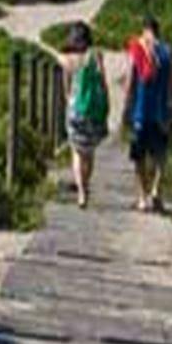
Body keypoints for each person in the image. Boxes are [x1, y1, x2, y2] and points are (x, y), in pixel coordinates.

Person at [124, 14, 172, 212]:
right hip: (160, 111)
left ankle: (142, 197)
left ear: (144, 29)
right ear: (157, 30)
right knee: (161, 153)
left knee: (139, 156)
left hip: (140, 110)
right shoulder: (168, 51)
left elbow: (130, 79)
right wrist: (171, 106)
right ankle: (157, 190)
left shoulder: (136, 48)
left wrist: (127, 106)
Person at [56, 21, 108, 209]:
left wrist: (69, 102)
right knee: (90, 152)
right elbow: (102, 81)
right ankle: (86, 183)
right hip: (93, 110)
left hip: (75, 108)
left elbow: (65, 87)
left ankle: (81, 192)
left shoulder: (66, 59)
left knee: (77, 151)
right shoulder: (96, 55)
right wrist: (106, 103)